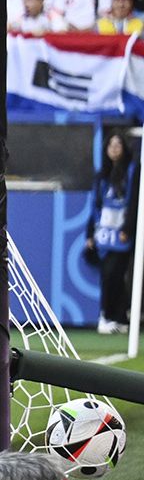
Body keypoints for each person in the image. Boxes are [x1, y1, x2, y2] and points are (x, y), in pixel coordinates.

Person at [88, 130, 141, 335]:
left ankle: (118, 316)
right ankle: (106, 315)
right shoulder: (102, 175)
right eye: (111, 145)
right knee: (108, 273)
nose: (114, 149)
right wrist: (90, 234)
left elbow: (135, 201)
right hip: (104, 234)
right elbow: (95, 206)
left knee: (118, 274)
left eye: (118, 145)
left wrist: (128, 228)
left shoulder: (132, 171)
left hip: (123, 233)